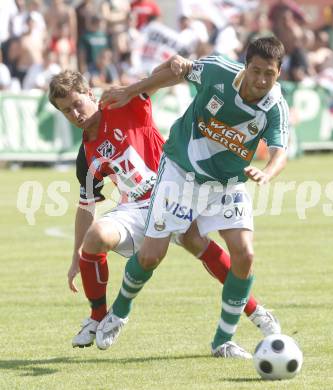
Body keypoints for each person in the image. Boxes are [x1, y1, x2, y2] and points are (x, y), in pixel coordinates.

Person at [48, 68, 281, 349]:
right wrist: (77, 257)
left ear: (90, 94)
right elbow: (86, 207)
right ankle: (98, 317)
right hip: (136, 208)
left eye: (77, 104)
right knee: (96, 236)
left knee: (198, 241)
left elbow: (169, 72)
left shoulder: (124, 104)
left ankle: (256, 312)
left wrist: (135, 85)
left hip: (178, 186)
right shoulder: (86, 155)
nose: (75, 114)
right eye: (66, 111)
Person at [96, 36, 289, 358]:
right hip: (180, 173)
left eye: (269, 73)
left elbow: (281, 151)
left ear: (279, 73)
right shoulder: (217, 70)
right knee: (150, 257)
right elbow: (178, 71)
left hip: (226, 183)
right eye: (256, 70)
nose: (261, 80)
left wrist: (267, 172)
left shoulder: (275, 106)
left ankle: (223, 340)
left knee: (244, 254)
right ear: (245, 66)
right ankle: (119, 311)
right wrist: (131, 90)